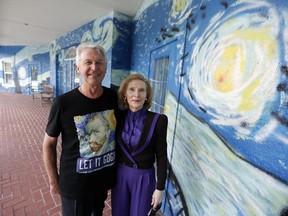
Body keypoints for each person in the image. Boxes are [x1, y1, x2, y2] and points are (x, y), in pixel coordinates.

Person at [42, 42, 118, 216]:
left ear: (105, 68)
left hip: (101, 182)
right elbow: (48, 144)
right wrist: (54, 180)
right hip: (74, 186)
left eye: (99, 63)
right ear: (78, 68)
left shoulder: (113, 98)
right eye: (88, 62)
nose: (94, 67)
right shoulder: (62, 103)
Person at [112, 73, 168, 216]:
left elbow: (161, 156)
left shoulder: (159, 120)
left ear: (147, 95)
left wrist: (160, 189)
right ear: (125, 93)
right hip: (120, 176)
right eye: (132, 89)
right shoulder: (118, 117)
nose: (136, 94)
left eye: (142, 90)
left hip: (144, 178)